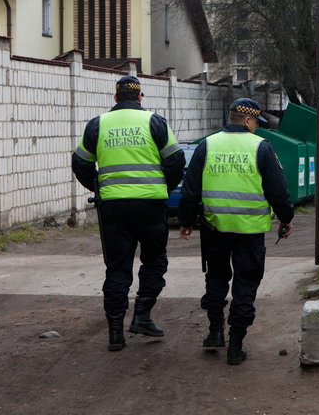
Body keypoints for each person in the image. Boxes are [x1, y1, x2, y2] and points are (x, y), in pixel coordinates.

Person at [72, 75, 185, 352]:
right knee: (154, 261)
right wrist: (163, 187)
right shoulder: (154, 122)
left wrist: (99, 187)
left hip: (113, 207)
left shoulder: (98, 124)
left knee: (117, 267)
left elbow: (80, 163)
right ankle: (142, 316)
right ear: (139, 97)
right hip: (150, 205)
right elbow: (176, 161)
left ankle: (114, 332)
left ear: (115, 98)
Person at [179, 97, 294, 365]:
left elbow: (191, 187)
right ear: (246, 119)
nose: (257, 128)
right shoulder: (261, 147)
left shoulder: (207, 144)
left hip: (214, 227)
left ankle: (215, 332)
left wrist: (186, 220)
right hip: (249, 231)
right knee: (245, 284)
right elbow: (278, 189)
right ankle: (236, 345)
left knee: (216, 278)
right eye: (256, 122)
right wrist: (285, 217)